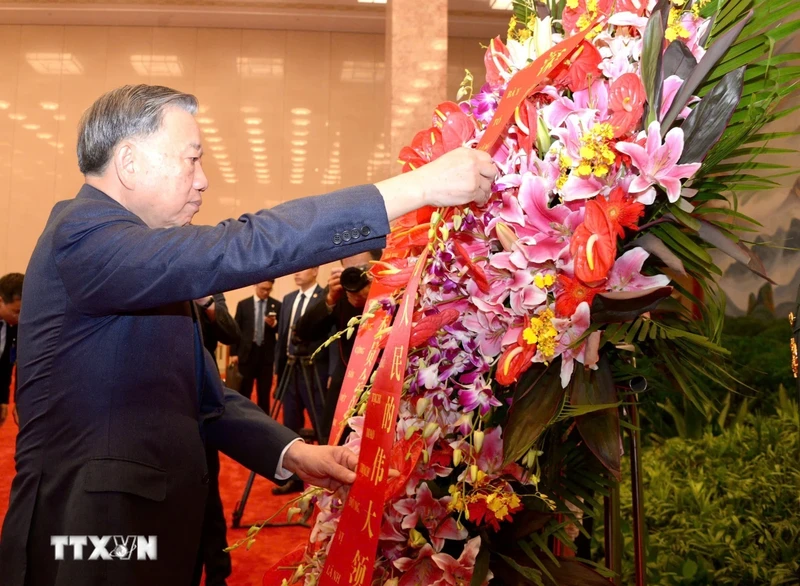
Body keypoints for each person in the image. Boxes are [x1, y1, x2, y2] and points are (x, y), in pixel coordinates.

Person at [0, 84, 495, 586]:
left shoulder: (134, 259)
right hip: (91, 541)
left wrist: (296, 452)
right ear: (128, 162)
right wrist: (417, 188)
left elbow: (202, 401)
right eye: (191, 160)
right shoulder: (81, 235)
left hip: (149, 536)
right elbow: (238, 244)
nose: (203, 181)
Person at [295, 250, 380, 444]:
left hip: (382, 387)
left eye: (364, 269)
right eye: (351, 270)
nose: (357, 276)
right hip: (345, 389)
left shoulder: (396, 290)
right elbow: (304, 331)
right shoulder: (341, 292)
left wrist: (372, 298)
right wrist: (330, 299)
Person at [193, 292, 240, 586]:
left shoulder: (208, 286)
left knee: (208, 493)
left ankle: (217, 571)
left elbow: (231, 333)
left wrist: (207, 304)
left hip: (201, 406)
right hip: (157, 404)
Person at [272, 267, 328, 495]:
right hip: (290, 369)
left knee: (320, 426)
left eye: (303, 269)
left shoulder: (325, 297)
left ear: (315, 270)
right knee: (290, 426)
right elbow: (282, 338)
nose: (296, 273)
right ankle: (294, 479)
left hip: (314, 371)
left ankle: (325, 479)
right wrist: (278, 367)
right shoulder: (288, 299)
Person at [231, 280, 281, 414]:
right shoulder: (243, 305)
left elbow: (281, 330)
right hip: (247, 354)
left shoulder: (276, 305)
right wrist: (233, 353)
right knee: (244, 391)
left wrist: (274, 324)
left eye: (269, 290)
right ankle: (242, 417)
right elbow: (236, 330)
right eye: (263, 289)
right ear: (255, 285)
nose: (265, 292)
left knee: (264, 393)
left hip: (266, 356)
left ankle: (264, 422)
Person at [0, 272, 23, 428]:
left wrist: (4, 400)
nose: (20, 318)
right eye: (16, 312)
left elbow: (7, 366)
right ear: (1, 301)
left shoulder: (13, 327)